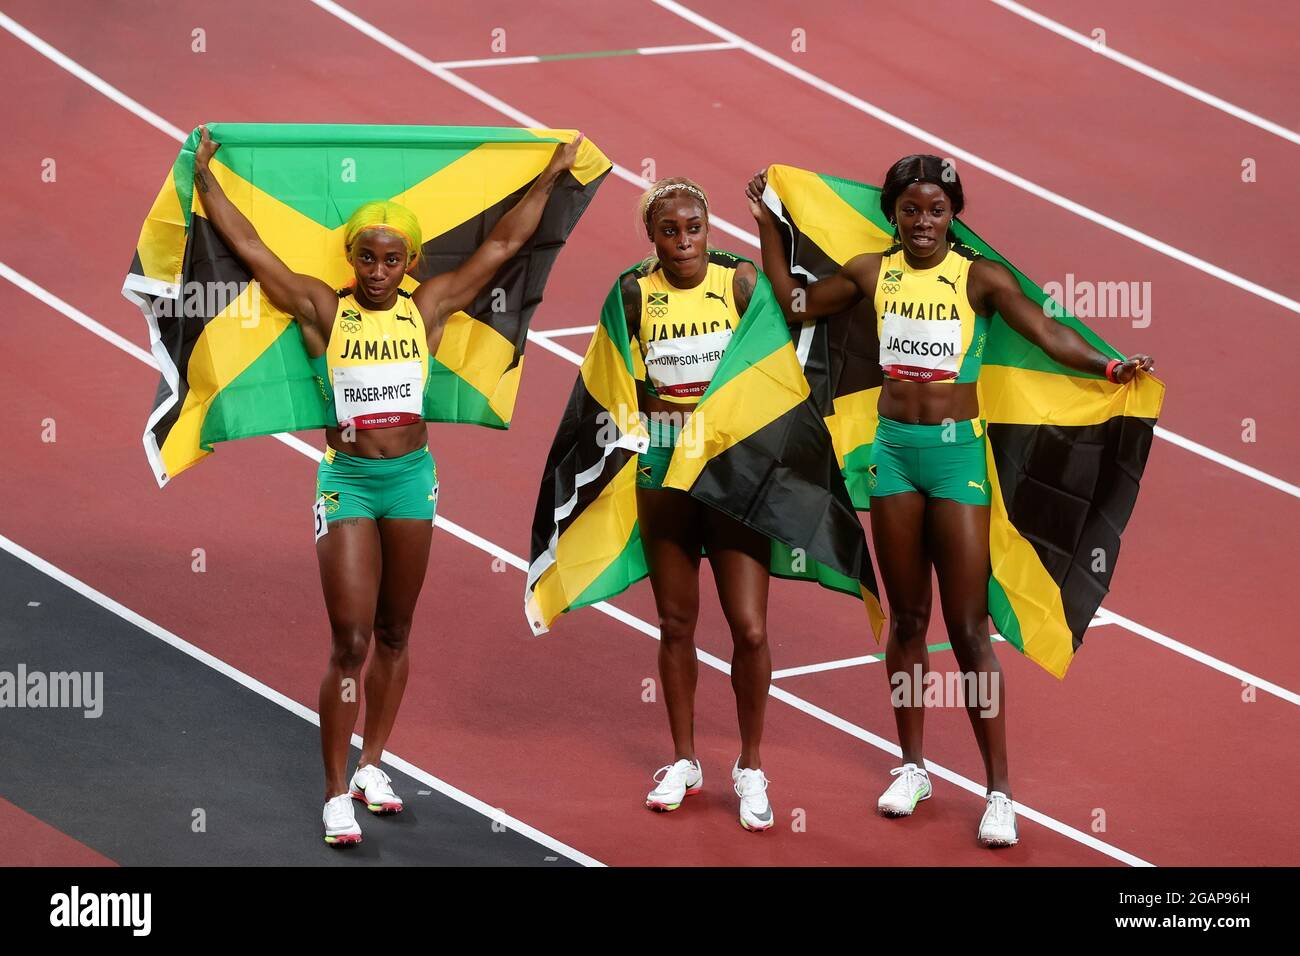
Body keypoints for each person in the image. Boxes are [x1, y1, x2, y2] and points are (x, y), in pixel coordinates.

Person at [746, 155, 1153, 846]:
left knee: (968, 630)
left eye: (936, 210)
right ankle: (913, 766)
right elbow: (795, 305)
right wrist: (768, 227)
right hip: (895, 455)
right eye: (911, 210)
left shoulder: (981, 279)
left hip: (958, 458)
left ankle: (1000, 791)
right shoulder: (874, 271)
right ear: (894, 215)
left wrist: (1110, 366)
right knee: (906, 621)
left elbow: (1049, 334)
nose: (924, 222)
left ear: (953, 213)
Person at [192, 124, 581, 846]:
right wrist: (204, 179)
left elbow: (501, 246)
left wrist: (553, 174)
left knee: (396, 632)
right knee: (350, 640)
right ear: (350, 258)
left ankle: (374, 762)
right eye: (366, 256)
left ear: (410, 263)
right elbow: (250, 249)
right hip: (348, 483)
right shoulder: (320, 308)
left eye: (391, 258)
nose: (377, 269)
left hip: (412, 482)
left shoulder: (425, 308)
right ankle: (336, 790)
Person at [628, 178, 774, 832]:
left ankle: (751, 766)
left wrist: (769, 221)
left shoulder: (738, 282)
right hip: (666, 473)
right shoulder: (633, 294)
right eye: (669, 230)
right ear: (652, 236)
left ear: (708, 228)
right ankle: (685, 760)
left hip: (735, 471)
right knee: (676, 624)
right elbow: (617, 381)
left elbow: (778, 344)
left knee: (749, 627)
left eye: (693, 228)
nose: (683, 241)